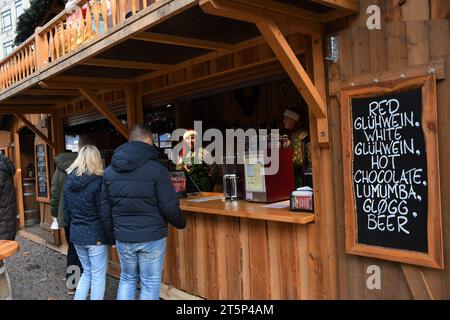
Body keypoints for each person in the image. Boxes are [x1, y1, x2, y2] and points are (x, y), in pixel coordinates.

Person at [104, 124, 186, 300]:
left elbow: (105, 209)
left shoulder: (109, 172)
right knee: (150, 283)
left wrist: (111, 237)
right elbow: (169, 206)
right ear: (149, 141)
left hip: (123, 236)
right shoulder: (157, 170)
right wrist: (181, 222)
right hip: (152, 236)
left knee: (127, 279)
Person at [64, 145, 114, 300]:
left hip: (77, 235)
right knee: (98, 276)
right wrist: (112, 237)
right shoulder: (99, 182)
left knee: (86, 273)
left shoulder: (69, 181)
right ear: (96, 159)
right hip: (96, 236)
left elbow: (66, 214)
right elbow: (104, 213)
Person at [50, 136, 91, 294]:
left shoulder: (60, 168)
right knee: (87, 251)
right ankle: (86, 286)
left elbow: (55, 192)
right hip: (85, 214)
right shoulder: (86, 165)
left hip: (66, 215)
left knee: (73, 249)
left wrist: (55, 214)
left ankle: (73, 285)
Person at [283, 108, 312, 188]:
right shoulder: (297, 134)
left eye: (286, 118)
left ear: (293, 120)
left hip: (300, 180)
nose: (283, 121)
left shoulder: (298, 135)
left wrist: (283, 167)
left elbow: (298, 161)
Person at [0, 154, 17, 241]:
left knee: (3, 248)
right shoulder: (3, 170)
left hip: (3, 220)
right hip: (6, 217)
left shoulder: (1, 173)